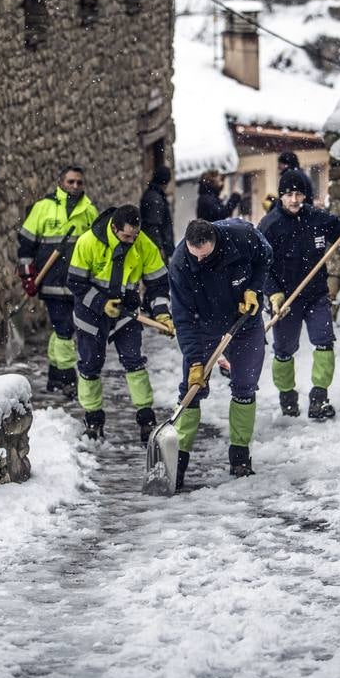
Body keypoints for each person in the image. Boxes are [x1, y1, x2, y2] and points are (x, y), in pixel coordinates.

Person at [169, 217, 273, 489]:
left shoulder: (242, 236)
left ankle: (240, 455)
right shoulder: (180, 264)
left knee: (245, 385)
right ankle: (178, 461)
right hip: (203, 327)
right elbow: (182, 318)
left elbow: (265, 257)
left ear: (215, 242)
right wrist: (194, 361)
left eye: (205, 256)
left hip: (244, 321)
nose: (200, 261)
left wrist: (254, 288)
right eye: (195, 256)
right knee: (192, 389)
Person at [258, 169, 340, 419]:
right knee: (284, 350)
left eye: (299, 194)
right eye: (289, 195)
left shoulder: (317, 218)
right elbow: (260, 267)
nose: (295, 199)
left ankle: (319, 397)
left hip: (316, 294)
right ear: (281, 196)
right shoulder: (270, 226)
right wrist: (274, 294)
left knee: (324, 342)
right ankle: (287, 396)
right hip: (285, 300)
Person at [67, 204, 174, 441]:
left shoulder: (144, 244)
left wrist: (162, 314)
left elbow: (157, 284)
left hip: (126, 312)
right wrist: (101, 303)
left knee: (133, 360)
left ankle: (146, 419)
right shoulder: (87, 242)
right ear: (114, 228)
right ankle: (93, 419)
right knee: (90, 364)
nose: (131, 240)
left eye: (135, 235)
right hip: (90, 313)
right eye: (126, 236)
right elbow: (75, 283)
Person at [17, 165, 98, 397]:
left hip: (77, 282)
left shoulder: (89, 211)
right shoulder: (44, 208)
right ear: (61, 182)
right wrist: (27, 275)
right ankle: (67, 378)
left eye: (79, 182)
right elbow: (26, 243)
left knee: (62, 328)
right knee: (64, 329)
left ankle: (54, 374)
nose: (75, 186)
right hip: (50, 280)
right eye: (71, 181)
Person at [140, 165, 175, 262]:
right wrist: (159, 248)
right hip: (157, 250)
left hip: (158, 247)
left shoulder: (154, 195)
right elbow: (152, 226)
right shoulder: (155, 198)